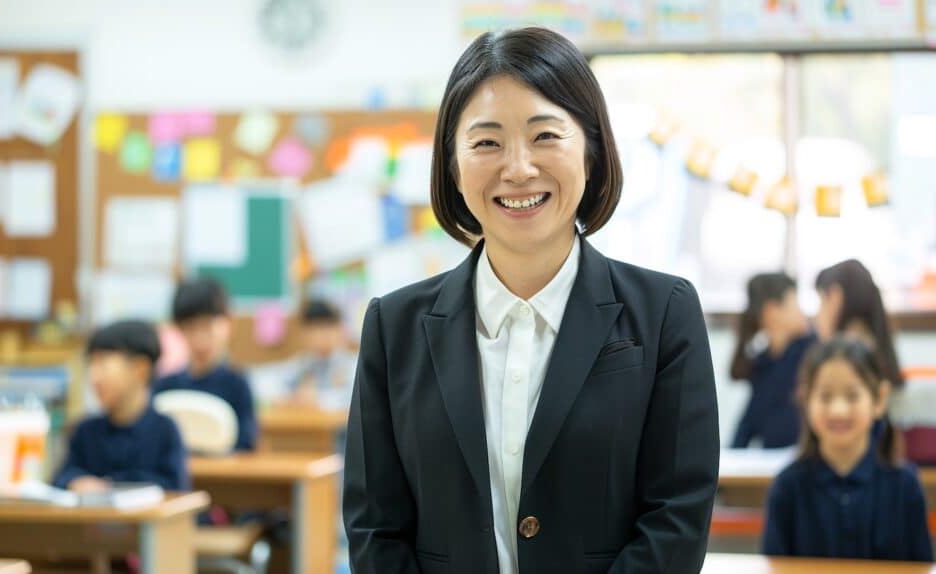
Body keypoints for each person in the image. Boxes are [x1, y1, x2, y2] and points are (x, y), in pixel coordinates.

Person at [343, 27, 719, 574]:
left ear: (590, 150)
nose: (517, 168)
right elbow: (375, 528)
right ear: (453, 165)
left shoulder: (664, 313)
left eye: (545, 136)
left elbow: (676, 521)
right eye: (486, 142)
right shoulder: (393, 326)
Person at [762, 338, 932, 561]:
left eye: (852, 396)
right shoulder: (787, 487)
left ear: (879, 399)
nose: (838, 411)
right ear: (806, 400)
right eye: (825, 396)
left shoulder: (905, 487)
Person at [54, 320, 189, 492]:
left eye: (102, 363)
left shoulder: (165, 430)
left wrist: (110, 485)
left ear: (140, 368)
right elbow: (61, 477)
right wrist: (74, 482)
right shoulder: (85, 431)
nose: (94, 377)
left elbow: (174, 488)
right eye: (91, 365)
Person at [155, 278, 258, 451]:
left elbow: (246, 445)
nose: (200, 339)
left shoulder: (238, 385)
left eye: (208, 327)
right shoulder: (165, 385)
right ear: (178, 330)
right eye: (191, 328)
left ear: (229, 323)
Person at [730, 273, 815, 448]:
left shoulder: (812, 352)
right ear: (771, 311)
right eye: (794, 304)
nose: (801, 312)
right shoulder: (762, 361)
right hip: (772, 462)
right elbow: (750, 421)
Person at [815, 259, 903, 388]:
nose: (817, 315)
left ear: (835, 298)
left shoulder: (845, 361)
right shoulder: (877, 351)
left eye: (821, 301)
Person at [285, 299, 356, 410]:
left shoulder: (351, 364)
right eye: (314, 329)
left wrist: (318, 399)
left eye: (327, 327)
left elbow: (354, 398)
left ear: (339, 330)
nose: (321, 335)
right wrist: (293, 397)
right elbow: (273, 384)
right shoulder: (303, 363)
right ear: (304, 334)